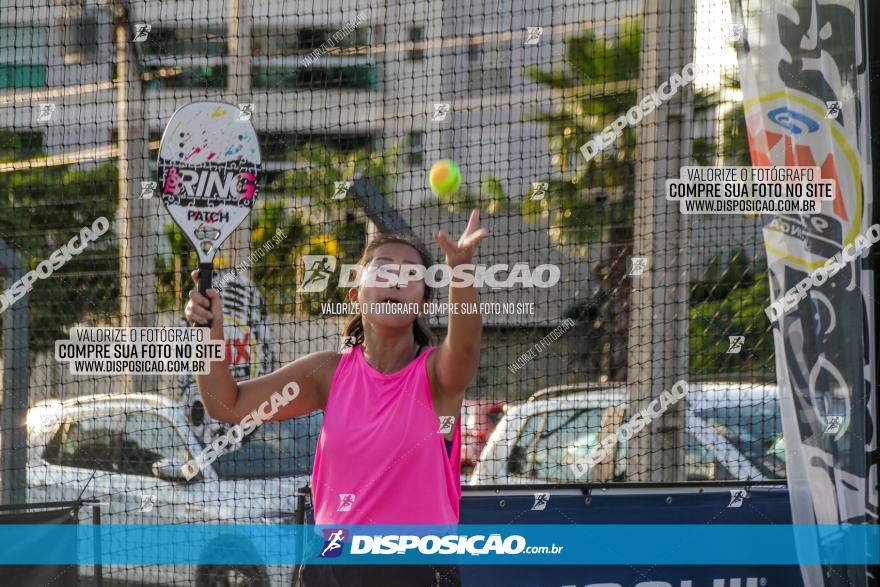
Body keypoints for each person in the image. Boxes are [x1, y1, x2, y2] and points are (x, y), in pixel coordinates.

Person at [185, 209, 488, 587]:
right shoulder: (327, 373)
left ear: (424, 302)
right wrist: (206, 332)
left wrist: (461, 271)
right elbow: (224, 403)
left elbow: (464, 348)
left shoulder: (437, 377)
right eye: (382, 269)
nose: (396, 278)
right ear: (355, 294)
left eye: (411, 273)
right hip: (332, 566)